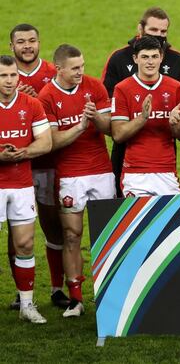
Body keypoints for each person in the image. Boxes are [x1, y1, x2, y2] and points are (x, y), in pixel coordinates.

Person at [39, 44, 115, 317]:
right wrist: (80, 126)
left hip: (101, 171)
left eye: (82, 66)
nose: (80, 72)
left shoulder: (94, 87)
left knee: (107, 235)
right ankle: (76, 300)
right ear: (58, 68)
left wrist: (96, 119)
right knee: (72, 235)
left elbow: (111, 130)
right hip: (70, 175)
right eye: (74, 68)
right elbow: (52, 141)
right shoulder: (47, 96)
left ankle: (109, 294)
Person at [8, 24, 69, 309]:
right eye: (21, 42)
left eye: (32, 40)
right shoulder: (5, 74)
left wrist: (37, 99)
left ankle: (57, 288)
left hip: (45, 163)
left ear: (39, 42)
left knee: (52, 223)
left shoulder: (52, 74)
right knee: (16, 230)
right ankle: (21, 294)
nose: (27, 46)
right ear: (12, 47)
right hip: (10, 170)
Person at [102, 7, 180, 197]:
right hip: (131, 164)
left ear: (161, 58)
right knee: (133, 222)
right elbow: (116, 131)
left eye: (163, 32)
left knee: (168, 224)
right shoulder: (121, 79)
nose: (150, 62)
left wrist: (176, 123)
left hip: (166, 166)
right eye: (154, 31)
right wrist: (142, 118)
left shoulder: (176, 76)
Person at [0, 55, 52, 323]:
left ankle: (27, 305)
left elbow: (45, 143)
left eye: (13, 75)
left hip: (21, 185)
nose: (9, 81)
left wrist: (22, 152)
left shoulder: (30, 104)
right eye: (3, 76)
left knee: (25, 243)